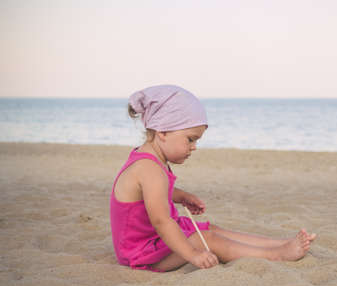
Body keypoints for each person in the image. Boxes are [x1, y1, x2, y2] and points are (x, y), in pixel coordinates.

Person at [110, 85, 316, 272]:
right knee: (207, 240)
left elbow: (151, 194)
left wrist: (181, 196)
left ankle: (278, 244)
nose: (194, 147)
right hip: (142, 254)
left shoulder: (150, 159)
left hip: (152, 241)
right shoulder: (150, 168)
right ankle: (276, 254)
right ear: (163, 131)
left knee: (211, 229)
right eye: (190, 139)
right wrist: (193, 255)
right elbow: (161, 221)